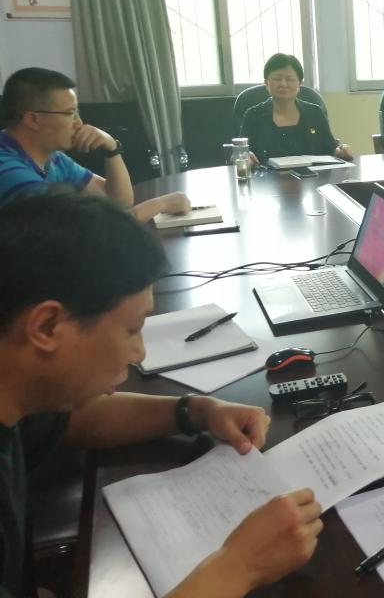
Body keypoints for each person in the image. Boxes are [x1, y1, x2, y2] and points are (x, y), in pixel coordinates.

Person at [0, 192, 323, 597]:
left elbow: (73, 420)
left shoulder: (16, 392)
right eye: (131, 329)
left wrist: (196, 411)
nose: (140, 353)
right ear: (47, 327)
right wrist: (239, 567)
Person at [0, 68, 189, 221]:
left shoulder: (52, 158)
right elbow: (82, 232)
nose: (79, 123)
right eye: (70, 113)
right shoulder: (9, 171)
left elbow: (118, 202)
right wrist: (159, 205)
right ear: (33, 120)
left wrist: (112, 148)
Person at [239, 54, 352, 165]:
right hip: (267, 176)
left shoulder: (314, 113)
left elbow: (330, 150)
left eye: (290, 79)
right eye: (277, 79)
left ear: (299, 83)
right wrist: (245, 156)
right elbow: (241, 152)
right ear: (266, 83)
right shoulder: (253, 116)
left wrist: (341, 151)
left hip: (314, 176)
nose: (283, 84)